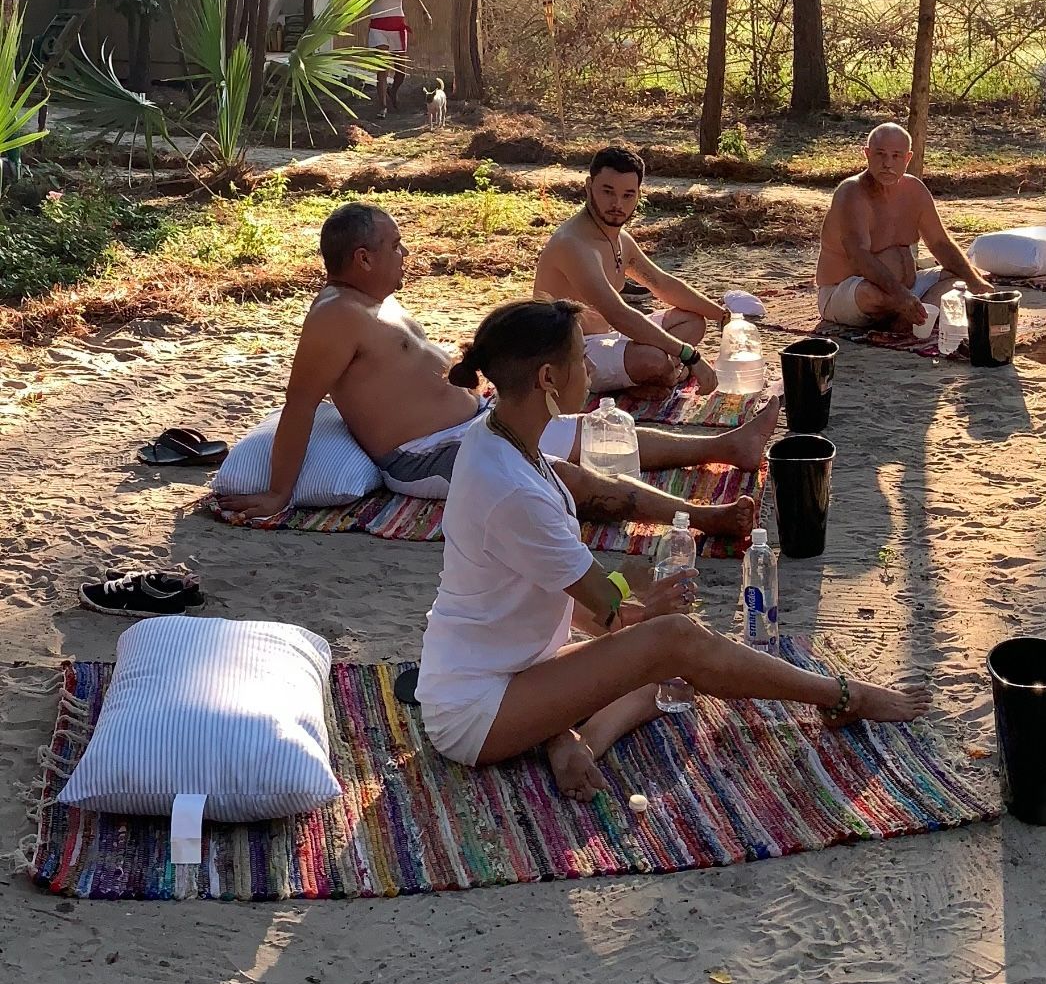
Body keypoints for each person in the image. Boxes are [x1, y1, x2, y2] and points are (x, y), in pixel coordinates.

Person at [417, 299, 929, 800]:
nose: (592, 366)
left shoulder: (500, 434)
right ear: (548, 379)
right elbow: (604, 603)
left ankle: (574, 743)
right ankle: (844, 696)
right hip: (476, 713)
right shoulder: (511, 489)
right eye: (581, 357)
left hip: (516, 670)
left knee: (675, 674)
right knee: (678, 641)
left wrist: (635, 611)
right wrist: (635, 595)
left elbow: (582, 583)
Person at [218, 203, 779, 532]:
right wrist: (277, 492)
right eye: (395, 246)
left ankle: (728, 448)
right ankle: (706, 519)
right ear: (362, 258)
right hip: (427, 456)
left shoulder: (373, 302)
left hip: (477, 420)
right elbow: (299, 405)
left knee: (596, 430)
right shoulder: (335, 317)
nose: (405, 254)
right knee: (567, 477)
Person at [533, 145, 733, 392]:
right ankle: (664, 373)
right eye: (608, 192)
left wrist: (723, 316)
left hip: (609, 338)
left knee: (692, 321)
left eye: (628, 195)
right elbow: (618, 313)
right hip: (570, 354)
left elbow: (660, 283)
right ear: (589, 187)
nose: (617, 203)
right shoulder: (573, 243)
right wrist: (690, 355)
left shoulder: (619, 239)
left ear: (638, 194)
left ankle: (662, 374)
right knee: (654, 359)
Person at [815, 122, 992, 328]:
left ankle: (910, 319)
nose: (887, 164)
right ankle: (913, 316)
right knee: (870, 295)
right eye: (881, 154)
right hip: (847, 292)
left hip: (908, 290)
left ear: (908, 158)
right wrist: (900, 295)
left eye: (896, 156)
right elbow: (859, 255)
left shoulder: (914, 189)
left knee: (962, 278)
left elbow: (940, 243)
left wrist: (975, 282)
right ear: (867, 154)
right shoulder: (851, 193)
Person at [368, 0, 432, 117]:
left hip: (397, 26)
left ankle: (393, 90)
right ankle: (382, 107)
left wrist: (425, 12)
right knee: (382, 69)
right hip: (378, 27)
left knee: (401, 71)